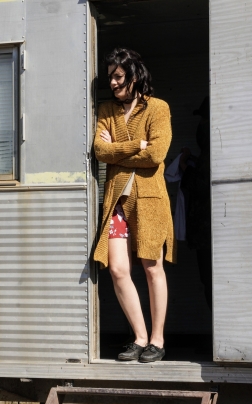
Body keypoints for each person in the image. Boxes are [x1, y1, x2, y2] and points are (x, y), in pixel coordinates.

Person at [93, 48, 174, 363]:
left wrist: (118, 148)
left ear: (135, 75)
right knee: (117, 269)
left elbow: (156, 154)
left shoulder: (158, 109)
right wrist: (133, 145)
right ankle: (139, 337)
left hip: (150, 199)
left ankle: (157, 339)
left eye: (118, 76)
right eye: (110, 76)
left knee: (152, 268)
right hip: (117, 200)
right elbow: (100, 150)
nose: (112, 82)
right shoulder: (106, 110)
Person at [180, 97, 212, 310]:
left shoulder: (214, 155)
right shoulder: (205, 155)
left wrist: (185, 168)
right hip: (205, 236)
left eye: (203, 120)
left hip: (210, 235)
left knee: (211, 281)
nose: (200, 126)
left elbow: (204, 187)